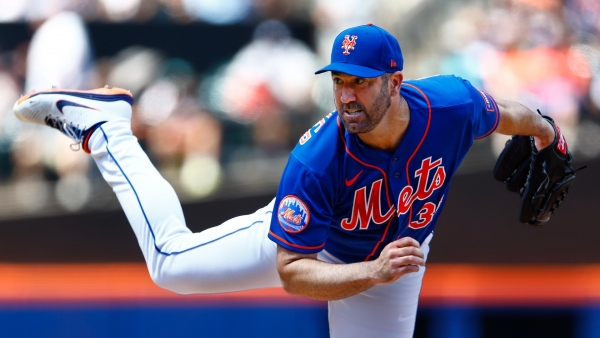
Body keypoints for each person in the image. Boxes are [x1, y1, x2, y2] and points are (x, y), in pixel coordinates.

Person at [14, 24, 560, 338]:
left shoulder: (452, 105)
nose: (346, 94)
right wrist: (370, 270)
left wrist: (547, 133)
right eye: (339, 81)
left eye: (361, 83)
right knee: (169, 263)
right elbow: (294, 273)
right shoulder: (317, 159)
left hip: (393, 266)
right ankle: (109, 130)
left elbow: (506, 113)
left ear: (395, 82)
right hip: (323, 251)